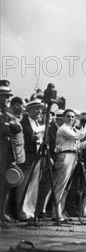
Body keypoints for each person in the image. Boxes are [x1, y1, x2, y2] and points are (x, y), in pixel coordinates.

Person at [51, 108, 86, 222]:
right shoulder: (63, 129)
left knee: (66, 187)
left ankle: (60, 212)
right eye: (68, 116)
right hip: (64, 156)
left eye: (72, 117)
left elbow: (77, 144)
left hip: (72, 156)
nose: (71, 118)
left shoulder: (71, 129)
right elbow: (79, 136)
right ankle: (56, 214)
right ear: (63, 118)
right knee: (60, 186)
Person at [0, 80, 24, 230]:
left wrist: (8, 126)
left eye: (9, 97)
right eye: (5, 97)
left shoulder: (5, 114)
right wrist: (8, 127)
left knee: (5, 186)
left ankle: (1, 215)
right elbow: (4, 129)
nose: (8, 100)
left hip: (7, 155)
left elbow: (16, 128)